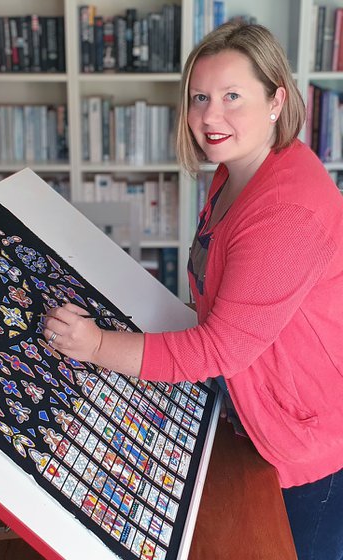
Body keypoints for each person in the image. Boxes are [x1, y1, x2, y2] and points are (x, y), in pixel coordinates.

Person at [43, 21, 343, 560]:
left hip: (306, 446)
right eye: (199, 97)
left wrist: (96, 347)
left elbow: (219, 348)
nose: (210, 116)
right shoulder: (236, 169)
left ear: (277, 100)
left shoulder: (287, 209)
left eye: (232, 96)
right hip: (253, 408)